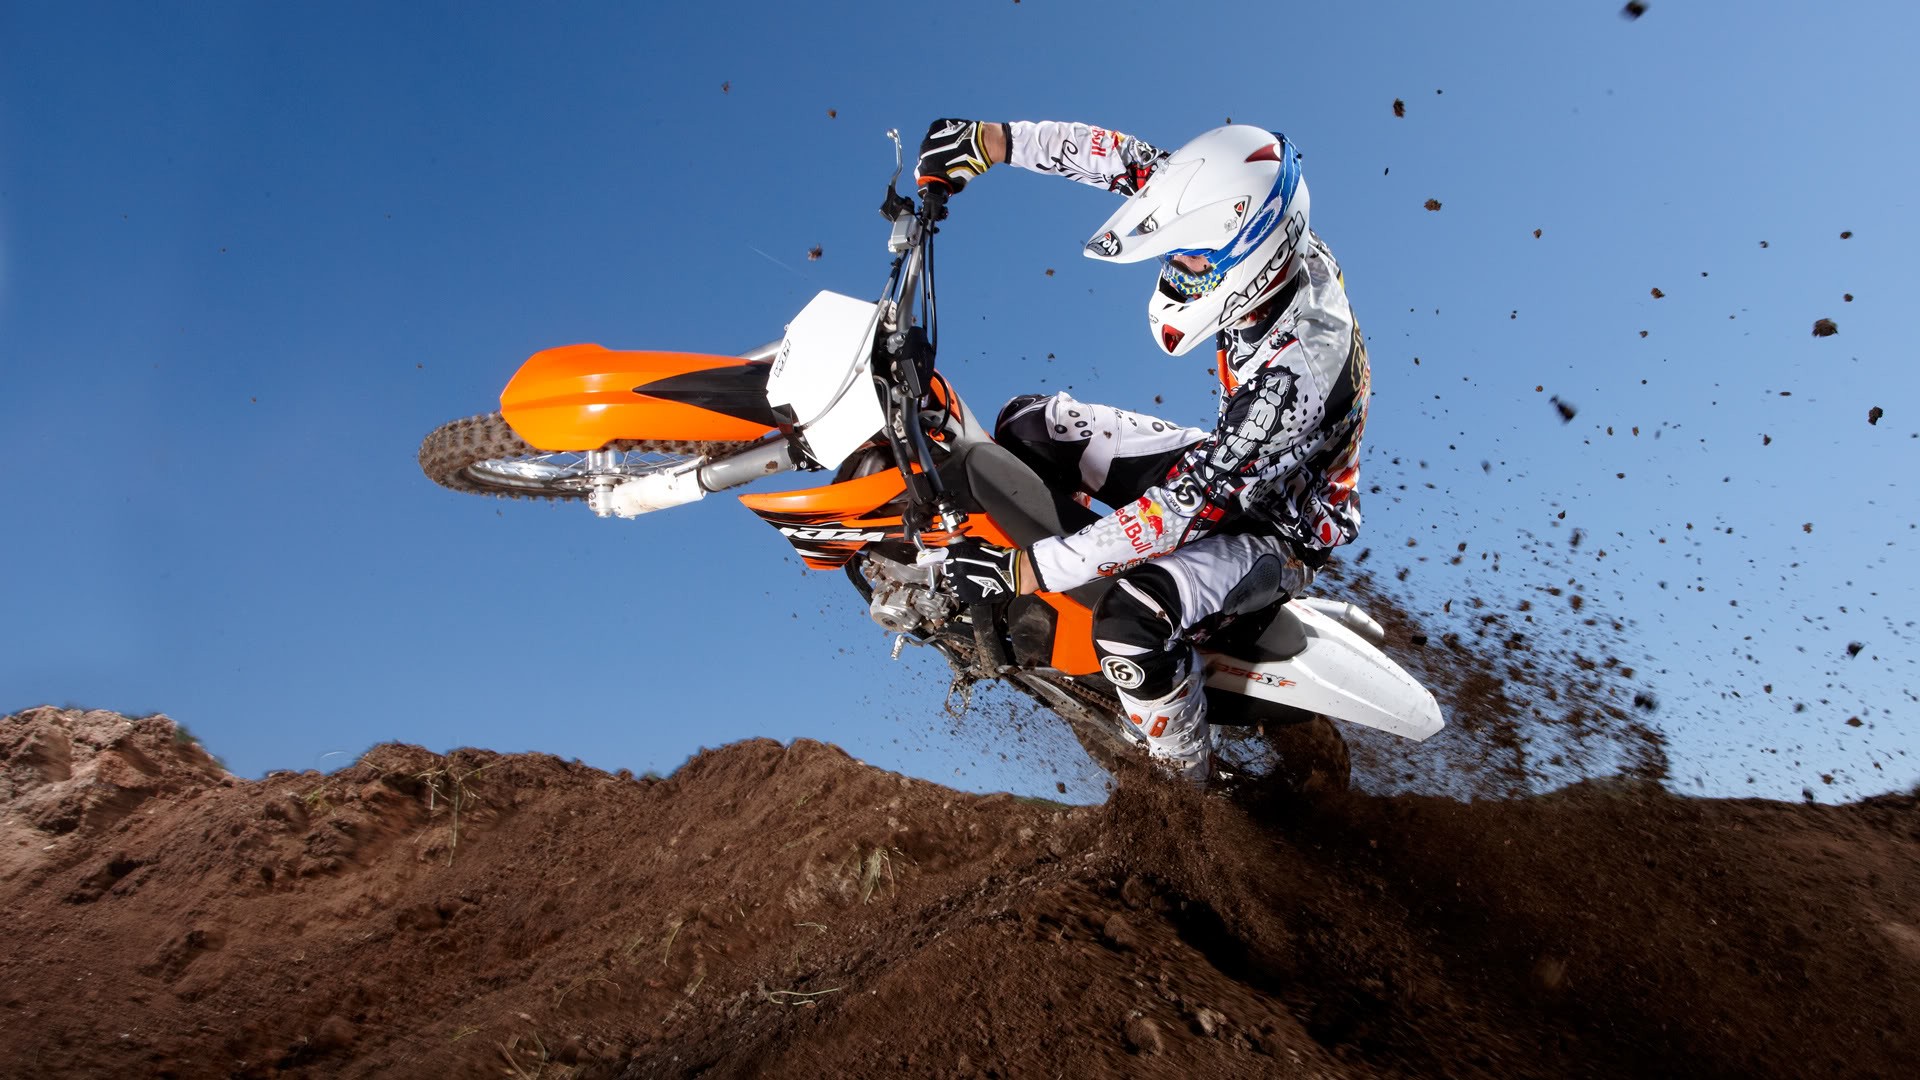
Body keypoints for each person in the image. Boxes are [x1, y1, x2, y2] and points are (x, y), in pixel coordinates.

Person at [919, 119, 1370, 785]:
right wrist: (992, 141)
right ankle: (1073, 591)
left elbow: (1181, 508)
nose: (1175, 269)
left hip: (1279, 526)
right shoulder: (1261, 221)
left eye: (1190, 260)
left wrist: (1025, 570)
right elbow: (1124, 162)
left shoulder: (1298, 373)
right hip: (1235, 462)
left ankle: (1184, 789)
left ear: (1251, 260)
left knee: (1132, 622)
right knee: (1029, 426)